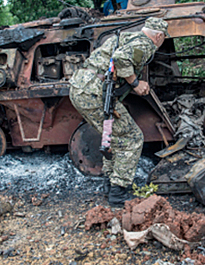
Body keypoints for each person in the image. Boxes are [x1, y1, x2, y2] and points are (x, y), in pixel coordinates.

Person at [69, 17, 168, 207]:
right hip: (93, 91)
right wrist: (136, 83)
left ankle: (109, 185)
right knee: (132, 137)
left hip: (82, 87)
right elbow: (121, 58)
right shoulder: (145, 43)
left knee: (115, 137)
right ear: (159, 36)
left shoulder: (127, 37)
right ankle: (118, 193)